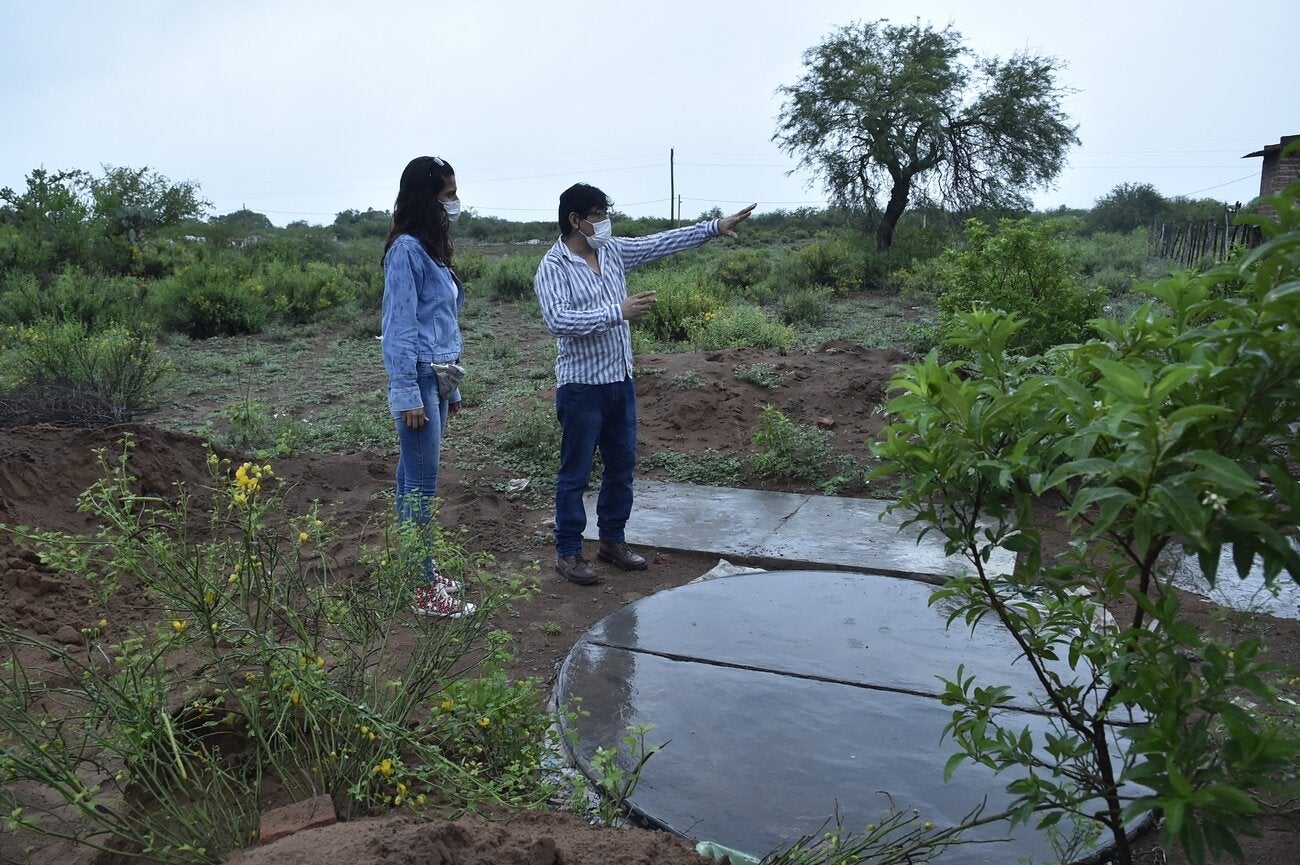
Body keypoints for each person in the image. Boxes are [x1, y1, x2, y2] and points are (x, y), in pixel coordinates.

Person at [533, 184, 755, 585]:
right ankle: (568, 551)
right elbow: (559, 322)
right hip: (582, 387)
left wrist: (714, 227)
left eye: (604, 213)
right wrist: (618, 312)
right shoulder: (553, 267)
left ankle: (611, 541)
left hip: (620, 381)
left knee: (621, 468)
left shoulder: (612, 251)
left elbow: (660, 242)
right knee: (575, 472)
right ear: (575, 220)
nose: (604, 221)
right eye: (598, 214)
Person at [381, 155, 474, 618]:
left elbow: (440, 323)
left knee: (408, 481)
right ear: (427, 198)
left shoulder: (429, 249)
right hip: (417, 378)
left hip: (434, 376)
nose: (454, 203)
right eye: (448, 195)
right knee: (420, 485)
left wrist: (450, 390)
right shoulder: (406, 252)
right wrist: (407, 395)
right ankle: (422, 590)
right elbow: (398, 328)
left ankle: (417, 573)